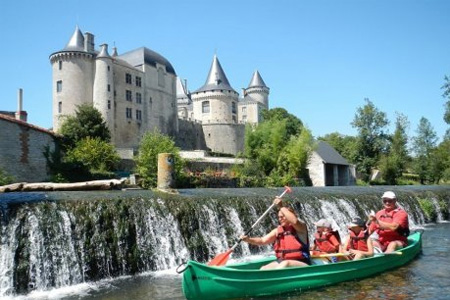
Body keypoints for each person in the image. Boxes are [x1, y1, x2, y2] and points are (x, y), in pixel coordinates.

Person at [240, 197, 310, 270]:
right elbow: (262, 240)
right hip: (282, 261)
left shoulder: (301, 228)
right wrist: (248, 239)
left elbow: (294, 221)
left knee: (285, 263)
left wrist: (281, 206)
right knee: (263, 268)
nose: (280, 219)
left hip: (301, 262)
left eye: (283, 217)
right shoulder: (277, 231)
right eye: (279, 217)